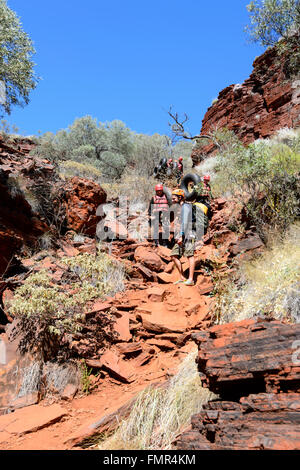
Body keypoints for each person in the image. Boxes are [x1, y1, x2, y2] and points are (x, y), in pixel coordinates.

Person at [170, 188, 196, 286]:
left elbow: (185, 223)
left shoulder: (186, 207)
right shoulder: (180, 208)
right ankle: (182, 277)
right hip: (183, 234)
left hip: (189, 233)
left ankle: (191, 279)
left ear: (180, 198)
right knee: (174, 255)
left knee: (190, 255)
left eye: (174, 199)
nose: (172, 200)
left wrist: (181, 236)